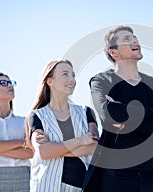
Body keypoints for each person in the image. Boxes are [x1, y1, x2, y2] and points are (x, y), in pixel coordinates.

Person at [83, 25, 153, 192]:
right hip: (115, 174)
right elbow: (107, 116)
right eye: (127, 39)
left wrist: (126, 118)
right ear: (114, 52)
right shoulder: (102, 81)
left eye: (135, 38)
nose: (135, 41)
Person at [26, 60, 99, 192]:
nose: (71, 79)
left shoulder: (86, 112)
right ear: (50, 81)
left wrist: (55, 148)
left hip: (83, 187)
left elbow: (93, 148)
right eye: (65, 74)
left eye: (73, 75)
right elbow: (44, 152)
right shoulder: (36, 116)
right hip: (46, 186)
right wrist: (80, 141)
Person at [0, 72, 33, 191]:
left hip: (24, 178)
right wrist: (21, 142)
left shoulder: (24, 121)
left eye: (11, 83)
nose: (10, 85)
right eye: (3, 83)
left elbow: (30, 153)